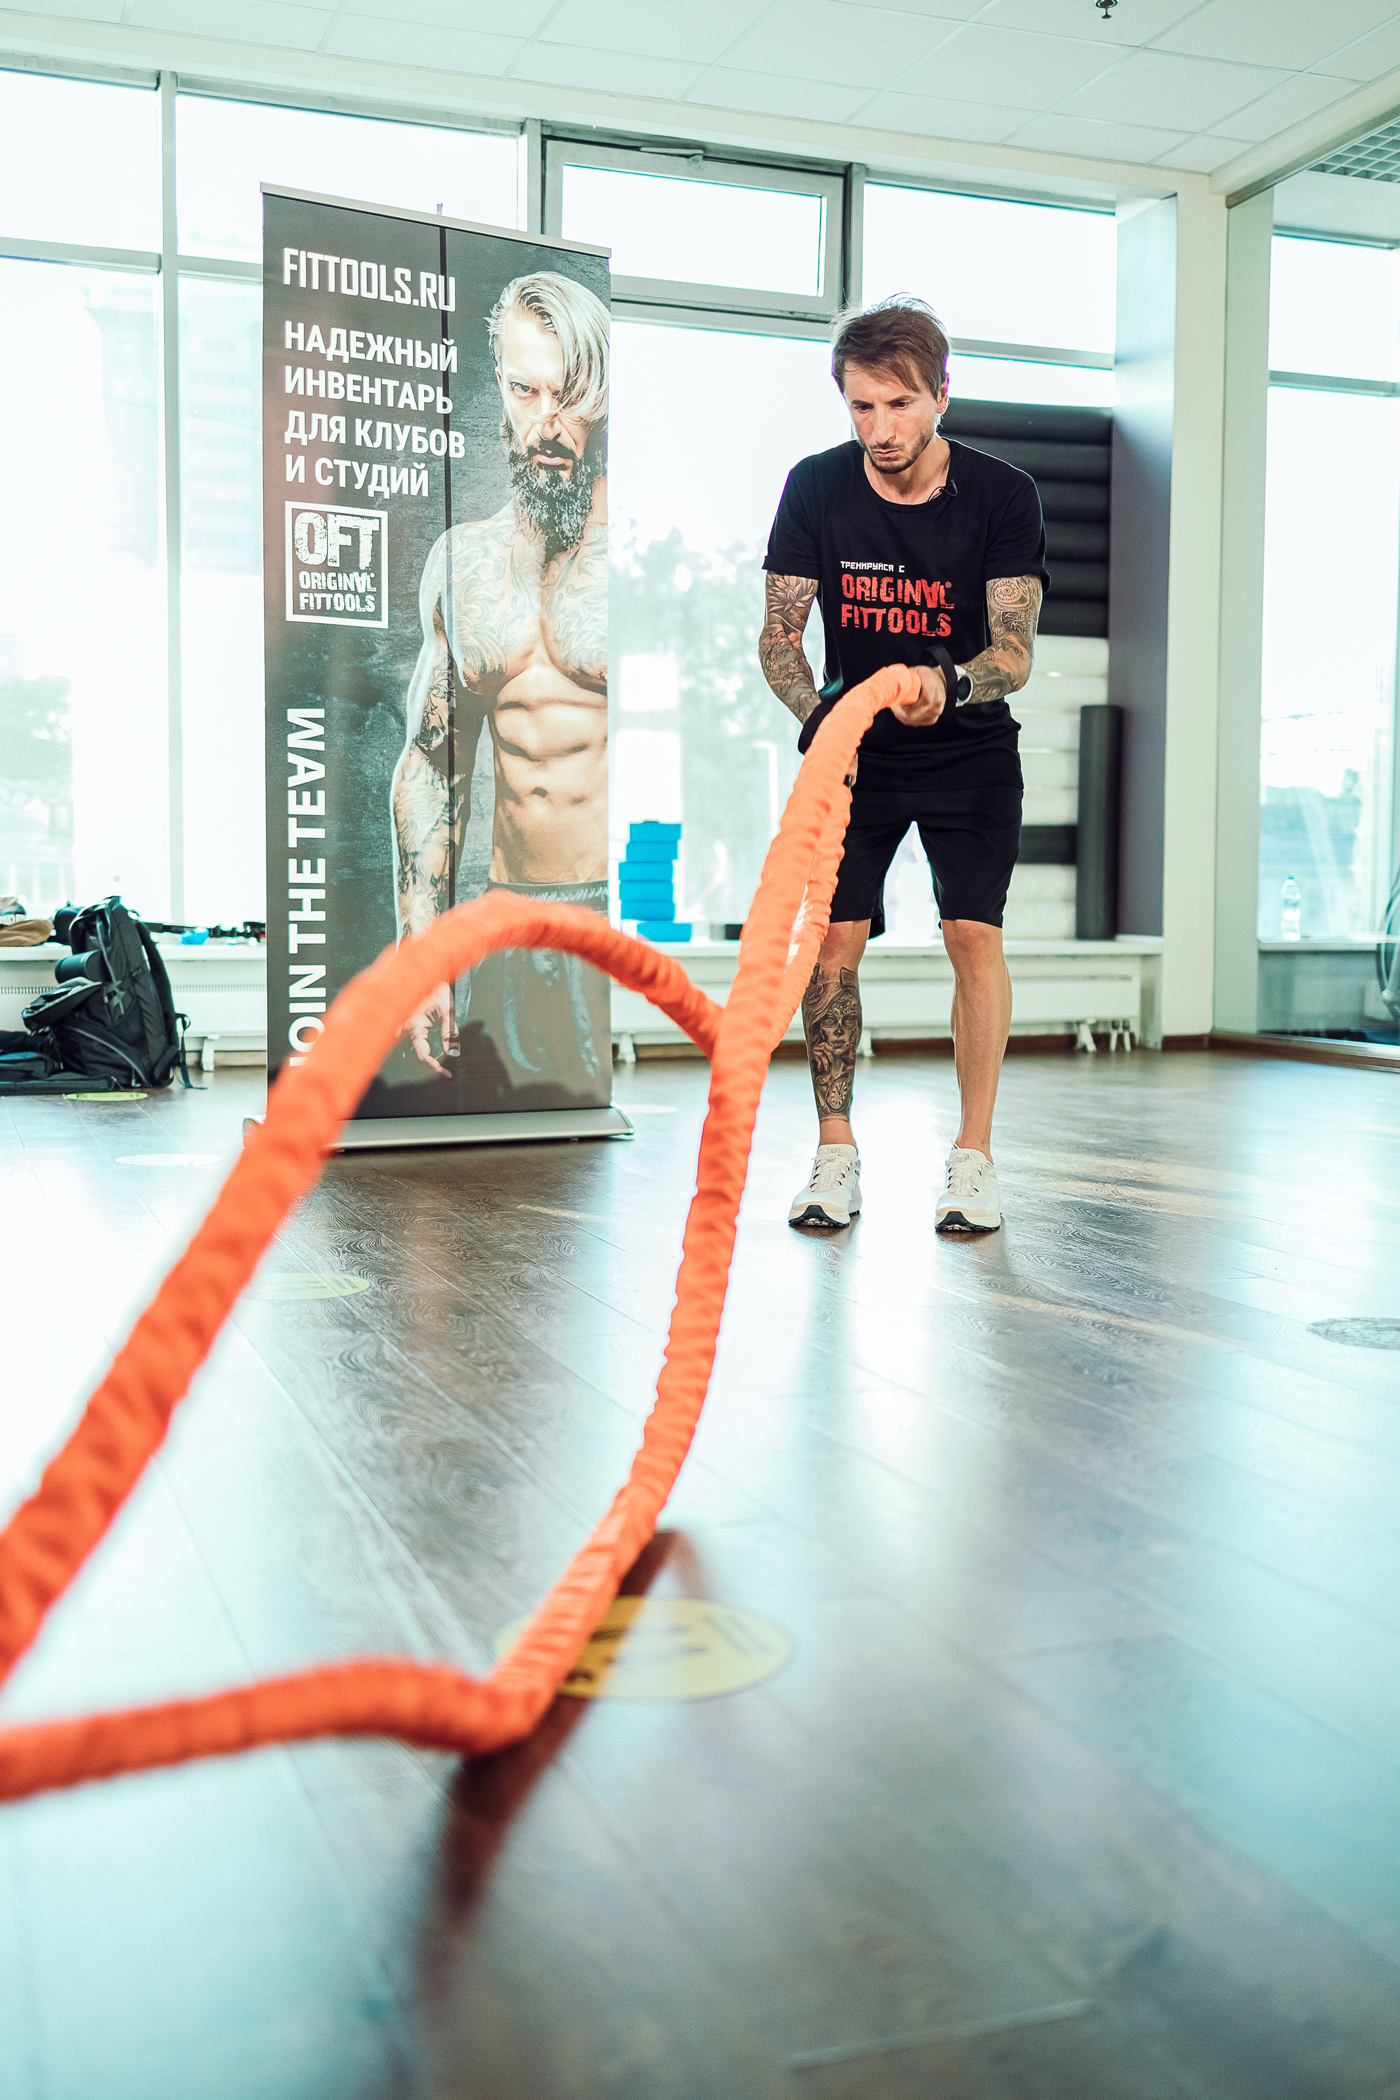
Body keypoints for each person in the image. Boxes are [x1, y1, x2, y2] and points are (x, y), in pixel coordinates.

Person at [759, 296, 1047, 1234]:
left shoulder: (1003, 495)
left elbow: (1014, 652)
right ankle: (834, 1154)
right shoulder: (815, 487)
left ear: (941, 396)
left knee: (972, 937)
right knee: (832, 944)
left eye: (900, 404)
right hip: (855, 758)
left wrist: (949, 684)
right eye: (861, 407)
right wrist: (823, 719)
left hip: (970, 750)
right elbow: (778, 640)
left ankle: (973, 1158)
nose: (880, 429)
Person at [392, 270, 609, 1098]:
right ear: (500, 390)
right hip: (509, 923)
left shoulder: (635, 564)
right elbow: (429, 766)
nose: (548, 423)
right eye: (526, 390)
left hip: (614, 920)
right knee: (499, 1157)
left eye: (570, 394)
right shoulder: (464, 565)